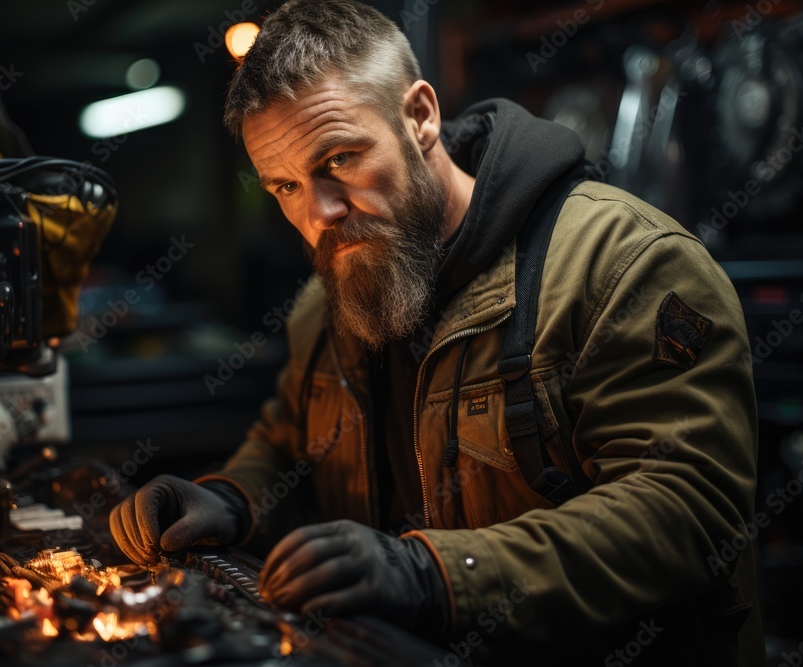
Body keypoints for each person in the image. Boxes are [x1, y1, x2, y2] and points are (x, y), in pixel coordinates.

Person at [110, 1, 763, 663]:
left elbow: (687, 508)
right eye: (285, 185)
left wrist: (439, 574)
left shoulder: (620, 263)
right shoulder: (325, 301)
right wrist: (231, 498)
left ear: (419, 116)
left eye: (337, 160)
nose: (319, 214)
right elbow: (285, 446)